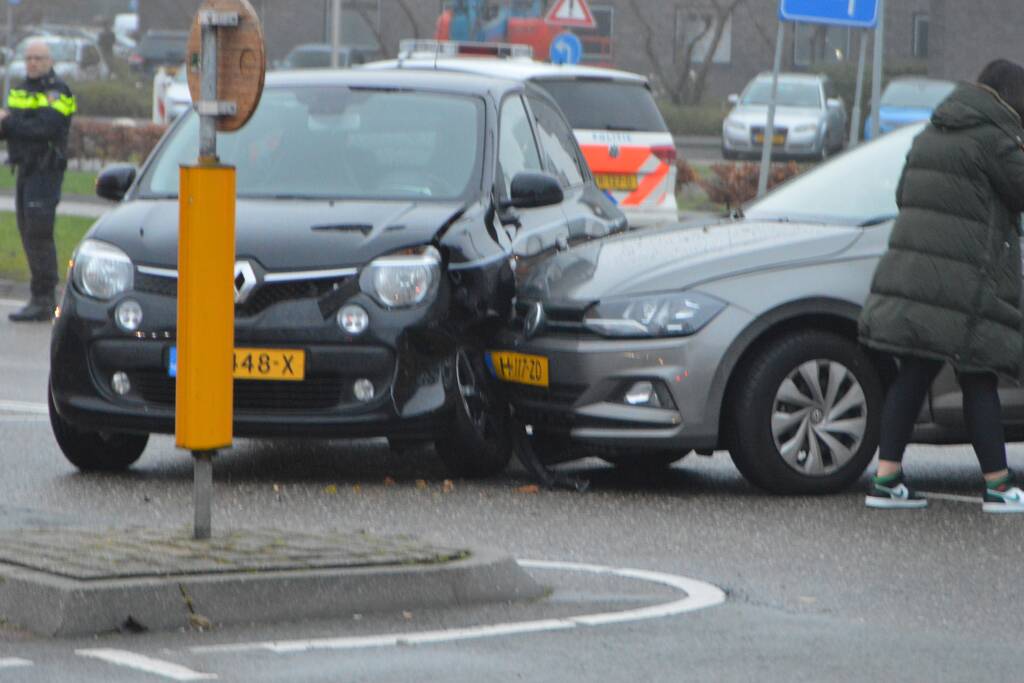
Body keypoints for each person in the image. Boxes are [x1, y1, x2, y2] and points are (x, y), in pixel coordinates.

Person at [858, 59, 1024, 513]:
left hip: (917, 276)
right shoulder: (995, 139)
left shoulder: (930, 134)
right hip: (965, 283)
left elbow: (903, 196)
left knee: (914, 373)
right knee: (979, 374)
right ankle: (998, 485)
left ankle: (887, 479)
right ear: (1010, 97)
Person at [0, 40, 76, 322]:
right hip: (25, 170)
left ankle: (45, 298)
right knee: (26, 230)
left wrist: (11, 123)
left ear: (49, 60)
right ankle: (38, 296)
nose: (33, 63)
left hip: (46, 171)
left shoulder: (59, 91)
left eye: (38, 58)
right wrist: (10, 124)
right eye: (29, 58)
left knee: (39, 232)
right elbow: (12, 127)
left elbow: (45, 128)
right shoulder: (20, 89)